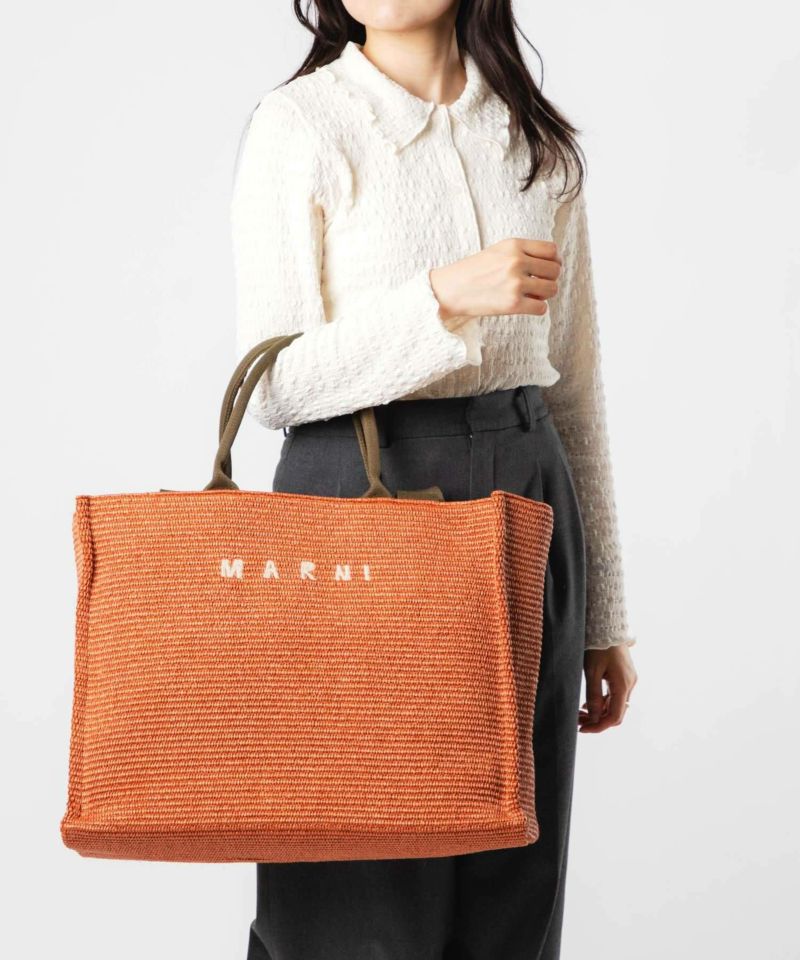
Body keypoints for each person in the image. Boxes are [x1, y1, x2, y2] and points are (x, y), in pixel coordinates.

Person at [231, 2, 638, 957]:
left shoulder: (537, 144)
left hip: (525, 496)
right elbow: (277, 383)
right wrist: (441, 299)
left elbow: (575, 390)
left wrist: (605, 614)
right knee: (353, 889)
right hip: (355, 504)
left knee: (513, 879)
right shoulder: (304, 125)